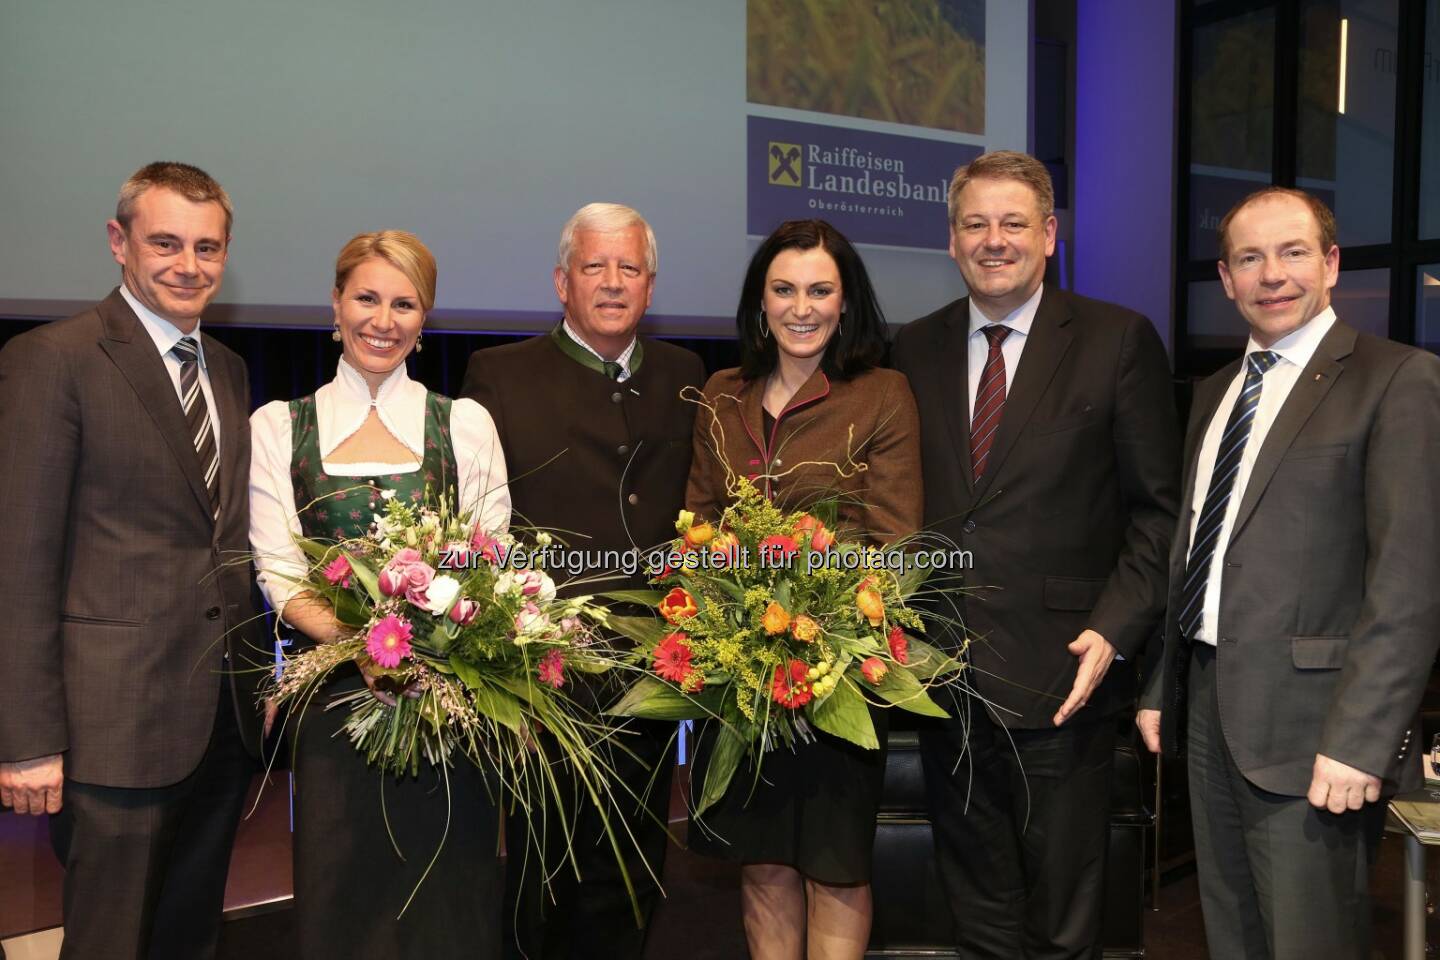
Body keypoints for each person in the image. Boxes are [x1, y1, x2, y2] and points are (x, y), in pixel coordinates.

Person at [891, 150, 1180, 959]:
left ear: (1048, 235)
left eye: (1013, 223)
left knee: (1062, 922)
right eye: (976, 224)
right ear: (951, 240)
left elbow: (1159, 513)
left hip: (1065, 678)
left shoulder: (1117, 340)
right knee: (975, 909)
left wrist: (1116, 629)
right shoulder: (913, 347)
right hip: (944, 679)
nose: (994, 240)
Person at [1136, 187, 1440, 959]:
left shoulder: (1397, 380)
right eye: (1250, 258)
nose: (1273, 274)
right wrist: (1161, 687)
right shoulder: (1213, 393)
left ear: (1331, 264)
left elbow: (1409, 583)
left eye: (1294, 252)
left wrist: (1363, 741)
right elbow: (1194, 553)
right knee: (1231, 934)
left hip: (1316, 734)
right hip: (1208, 713)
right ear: (1227, 278)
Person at [0, 162, 264, 959]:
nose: (189, 265)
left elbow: (226, 542)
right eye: (166, 243)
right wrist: (28, 740)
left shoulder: (228, 367)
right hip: (112, 727)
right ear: (119, 243)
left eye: (208, 247)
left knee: (188, 939)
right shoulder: (56, 359)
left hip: (222, 722)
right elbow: (20, 559)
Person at [249, 230, 511, 960]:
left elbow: (489, 553)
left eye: (405, 303)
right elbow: (279, 572)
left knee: (448, 903)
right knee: (345, 899)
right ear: (336, 305)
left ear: (424, 319)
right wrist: (364, 648)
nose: (383, 319)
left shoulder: (464, 423)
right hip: (335, 704)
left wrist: (421, 653)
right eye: (367, 298)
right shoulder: (279, 427)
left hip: (449, 703)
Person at [460, 202, 705, 960]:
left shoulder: (687, 374)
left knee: (635, 869)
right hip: (546, 676)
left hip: (653, 671)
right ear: (562, 281)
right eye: (594, 267)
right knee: (543, 867)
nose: (611, 283)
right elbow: (481, 524)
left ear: (651, 286)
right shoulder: (496, 375)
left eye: (628, 268)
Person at [685, 218, 922, 960]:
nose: (801, 307)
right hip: (738, 676)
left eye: (820, 290)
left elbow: (893, 540)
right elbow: (698, 522)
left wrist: (808, 610)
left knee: (835, 868)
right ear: (761, 302)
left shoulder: (882, 393)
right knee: (760, 863)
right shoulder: (722, 393)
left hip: (836, 673)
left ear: (845, 303)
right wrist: (728, 615)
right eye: (783, 289)